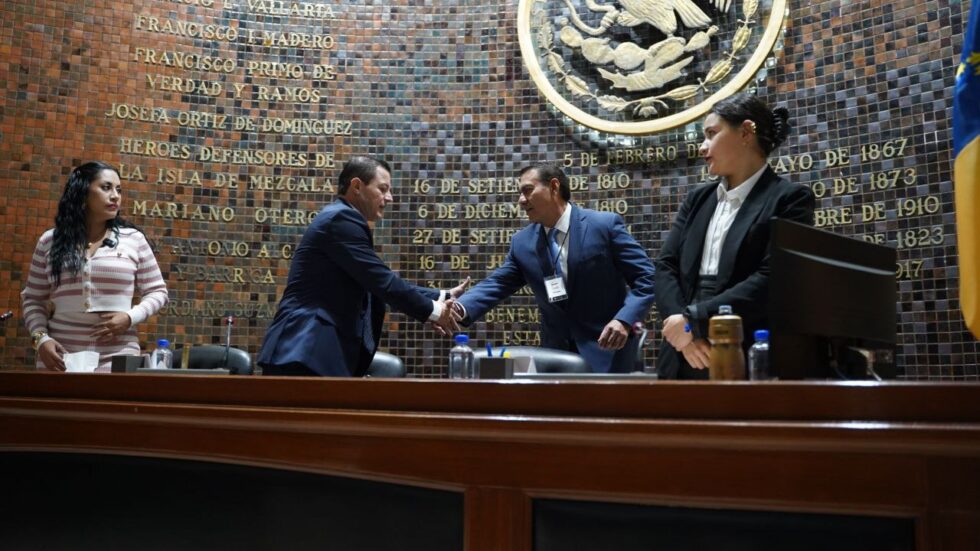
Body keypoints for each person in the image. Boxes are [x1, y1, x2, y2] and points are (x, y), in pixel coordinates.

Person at [655, 93, 816, 379]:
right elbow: (666, 265)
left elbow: (773, 278)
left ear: (745, 132)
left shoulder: (789, 198)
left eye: (711, 134)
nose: (702, 147)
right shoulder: (698, 199)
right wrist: (684, 334)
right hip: (682, 353)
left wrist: (695, 320)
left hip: (745, 350)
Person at [258, 156, 466, 377]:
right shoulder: (341, 219)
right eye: (383, 189)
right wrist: (436, 311)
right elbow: (381, 281)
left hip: (311, 353)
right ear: (356, 186)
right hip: (304, 350)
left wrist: (440, 297)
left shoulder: (340, 218)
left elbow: (372, 282)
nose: (390, 197)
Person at [452, 163, 656, 373]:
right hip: (556, 359)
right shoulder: (522, 242)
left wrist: (624, 320)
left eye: (527, 190)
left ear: (554, 186)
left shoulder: (604, 225)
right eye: (520, 193)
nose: (521, 200)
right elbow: (497, 283)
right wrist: (458, 308)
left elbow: (647, 279)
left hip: (608, 352)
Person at [21, 161, 169, 372]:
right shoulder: (50, 241)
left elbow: (158, 292)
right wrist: (41, 339)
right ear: (82, 192)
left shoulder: (133, 239)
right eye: (106, 187)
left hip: (118, 355)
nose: (115, 196)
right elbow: (33, 299)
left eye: (119, 190)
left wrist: (130, 317)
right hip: (59, 356)